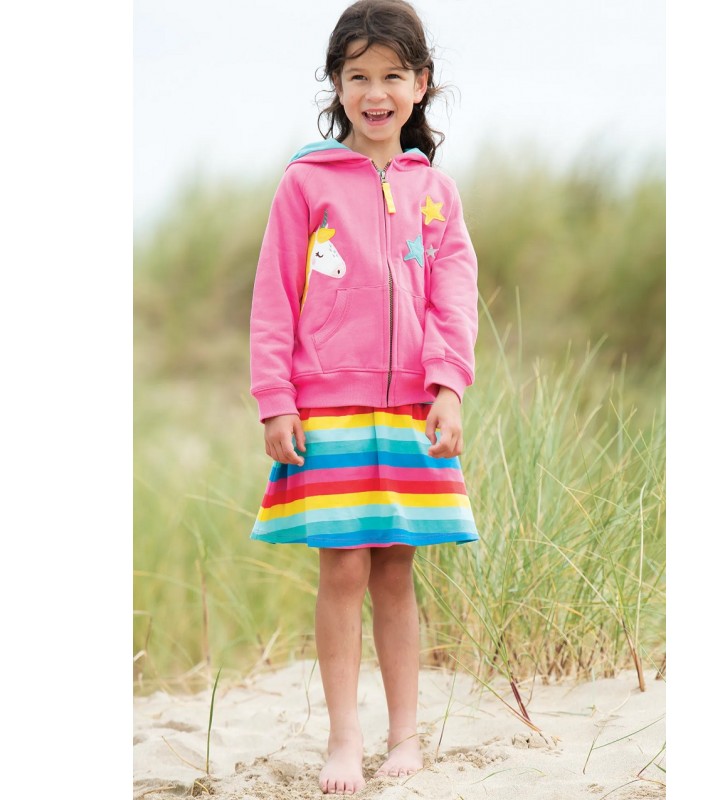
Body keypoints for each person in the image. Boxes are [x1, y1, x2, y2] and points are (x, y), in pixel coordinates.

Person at [249, 0, 479, 794]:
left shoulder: (435, 190)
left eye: (391, 76)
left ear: (421, 83)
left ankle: (404, 735)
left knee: (395, 570)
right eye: (357, 77)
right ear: (337, 85)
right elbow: (273, 297)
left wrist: (448, 386)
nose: (374, 93)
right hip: (327, 407)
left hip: (413, 407)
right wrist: (276, 399)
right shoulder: (305, 182)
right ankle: (344, 739)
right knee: (343, 566)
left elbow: (454, 298)